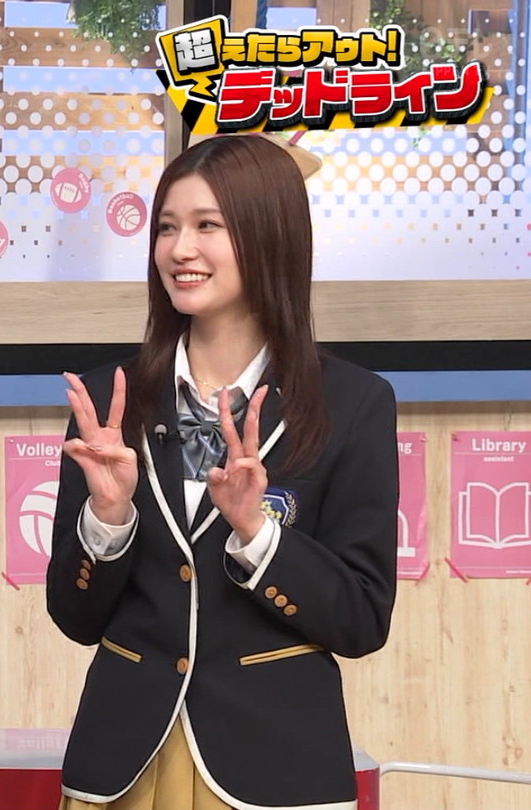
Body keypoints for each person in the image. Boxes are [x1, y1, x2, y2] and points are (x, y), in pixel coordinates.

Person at [46, 134, 398, 810]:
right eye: (167, 227)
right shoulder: (109, 400)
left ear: (271, 235)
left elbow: (361, 620)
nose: (180, 249)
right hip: (120, 764)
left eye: (208, 226)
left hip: (276, 769)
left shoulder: (352, 403)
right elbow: (75, 615)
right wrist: (108, 519)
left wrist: (257, 534)